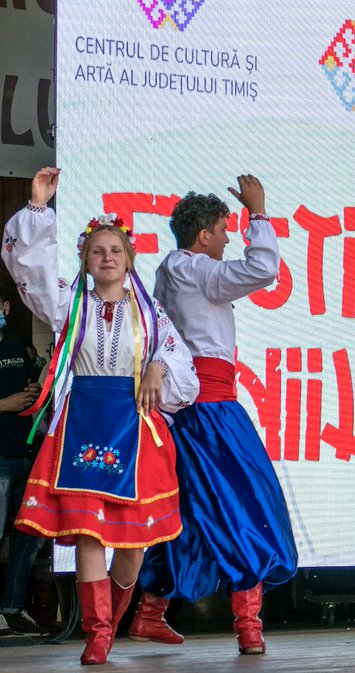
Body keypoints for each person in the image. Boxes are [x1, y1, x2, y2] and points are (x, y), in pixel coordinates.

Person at [2, 167, 199, 665]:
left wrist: (157, 364)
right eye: (97, 251)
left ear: (129, 258)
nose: (107, 257)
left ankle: (113, 616)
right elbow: (34, 270)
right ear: (85, 261)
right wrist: (40, 208)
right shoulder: (72, 306)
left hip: (136, 425)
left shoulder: (153, 316)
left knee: (133, 543)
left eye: (115, 250)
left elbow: (185, 371)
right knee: (90, 532)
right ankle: (98, 632)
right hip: (84, 422)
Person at [129, 175, 298, 655]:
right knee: (246, 505)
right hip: (210, 411)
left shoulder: (173, 268)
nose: (228, 237)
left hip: (189, 409)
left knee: (189, 512)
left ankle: (150, 613)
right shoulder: (195, 266)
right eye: (225, 229)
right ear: (203, 235)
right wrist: (260, 214)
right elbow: (263, 269)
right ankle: (248, 625)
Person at [0, 296, 47, 636]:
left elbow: (32, 392)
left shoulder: (20, 347)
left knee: (30, 538)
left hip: (28, 454)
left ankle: (12, 609)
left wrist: (34, 391)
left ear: (5, 308)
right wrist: (6, 403)